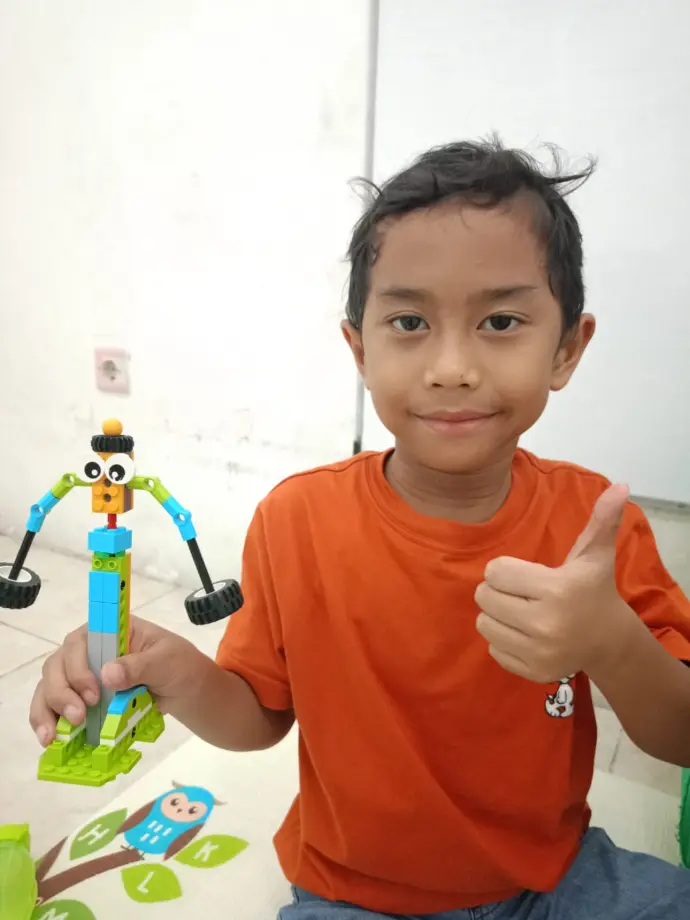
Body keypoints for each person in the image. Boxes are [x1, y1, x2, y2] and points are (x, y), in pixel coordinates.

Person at [29, 139, 690, 918]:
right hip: (353, 893)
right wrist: (177, 674)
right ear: (360, 350)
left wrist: (610, 641)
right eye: (409, 321)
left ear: (567, 349)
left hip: (552, 881)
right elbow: (260, 716)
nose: (451, 366)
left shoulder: (596, 529)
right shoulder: (298, 521)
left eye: (501, 321)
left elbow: (679, 738)